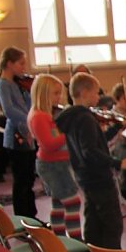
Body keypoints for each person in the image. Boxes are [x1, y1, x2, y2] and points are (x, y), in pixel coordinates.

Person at [55, 73, 126, 249]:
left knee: (93, 220)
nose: (99, 97)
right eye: (95, 92)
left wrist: (115, 127)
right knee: (112, 224)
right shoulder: (85, 118)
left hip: (85, 176)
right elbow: (90, 151)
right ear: (84, 92)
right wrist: (117, 163)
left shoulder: (71, 116)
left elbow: (96, 143)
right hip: (98, 177)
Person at [26, 74, 82, 240]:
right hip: (52, 166)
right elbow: (49, 144)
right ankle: (76, 242)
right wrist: (68, 131)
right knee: (72, 202)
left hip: (59, 163)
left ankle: (60, 240)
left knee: (59, 203)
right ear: (43, 94)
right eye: (55, 94)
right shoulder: (39, 116)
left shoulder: (47, 114)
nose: (59, 98)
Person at [0, 47, 37, 217]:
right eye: (21, 63)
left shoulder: (18, 84)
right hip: (16, 136)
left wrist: (30, 95)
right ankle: (22, 216)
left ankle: (31, 214)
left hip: (28, 135)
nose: (24, 67)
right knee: (21, 180)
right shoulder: (3, 84)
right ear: (9, 64)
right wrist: (29, 120)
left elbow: (27, 106)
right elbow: (9, 110)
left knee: (29, 177)